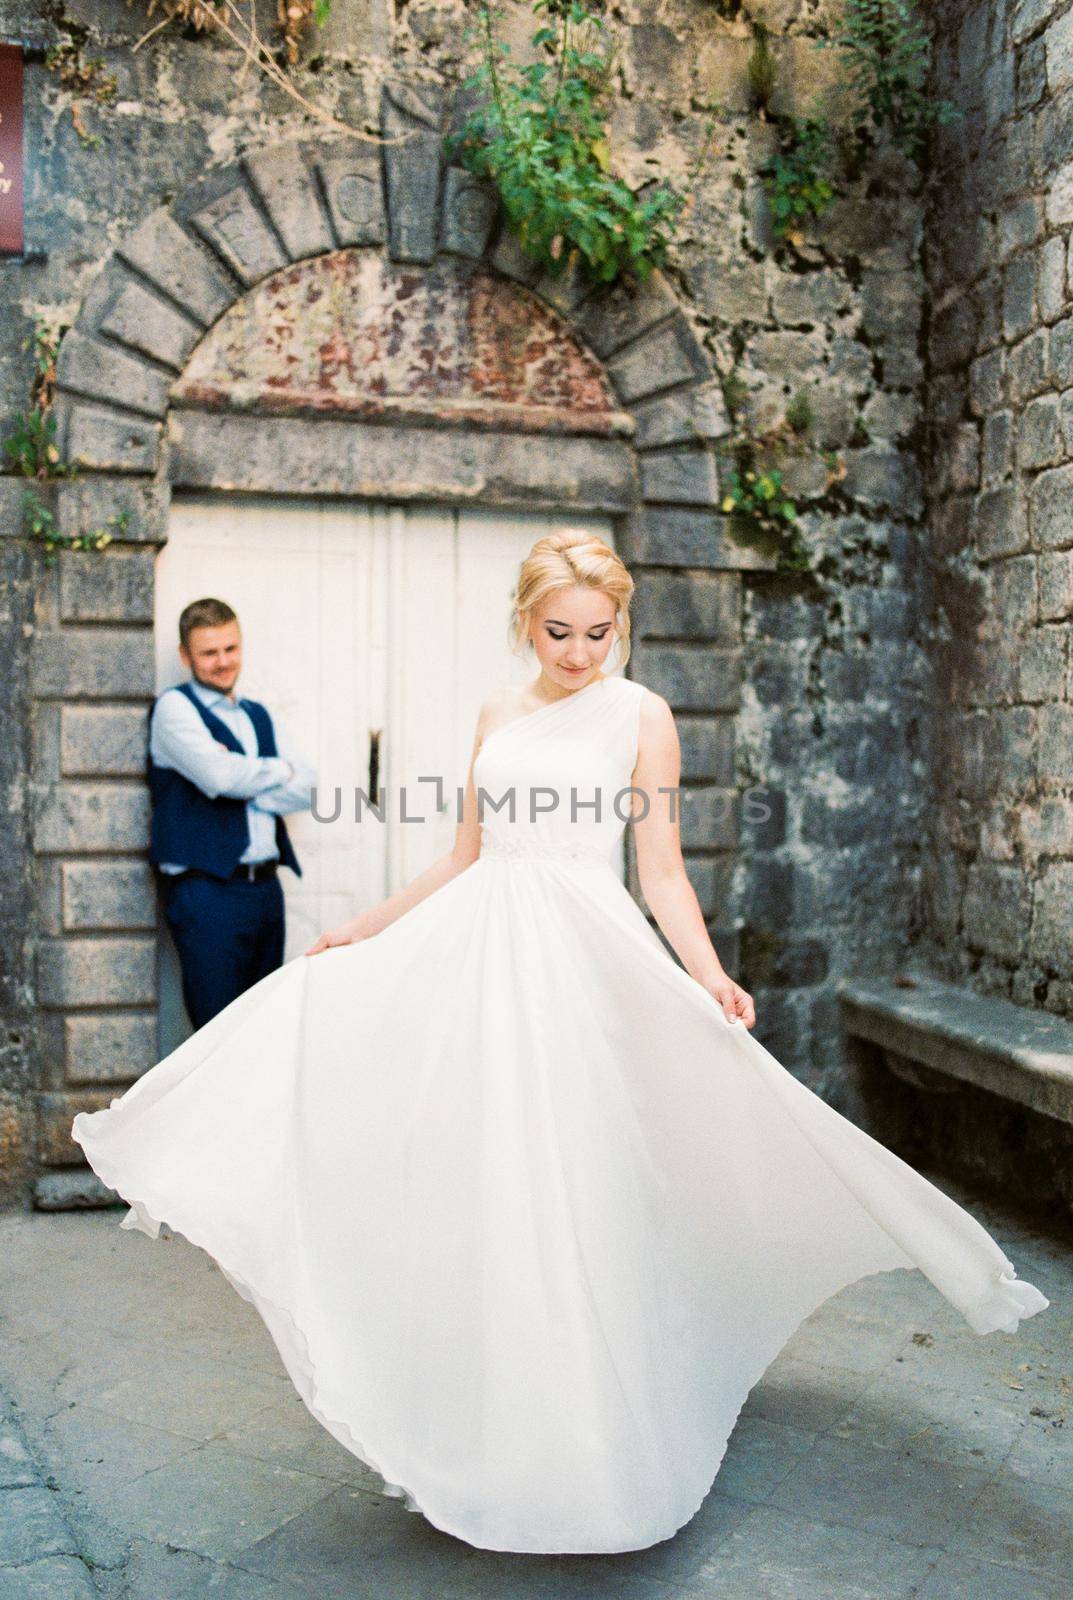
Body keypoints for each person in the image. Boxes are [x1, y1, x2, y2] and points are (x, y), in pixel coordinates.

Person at [72, 531, 1048, 1556]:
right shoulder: (496, 711)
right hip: (484, 951)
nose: (580, 652)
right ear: (523, 623)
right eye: (557, 632)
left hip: (586, 957)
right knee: (486, 1178)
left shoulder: (642, 715)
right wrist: (371, 923)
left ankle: (595, 1438)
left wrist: (707, 973)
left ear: (618, 624)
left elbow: (658, 869)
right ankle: (496, 1425)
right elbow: (463, 852)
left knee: (583, 1178)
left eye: (599, 631)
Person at [148, 597, 316, 1029]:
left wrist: (245, 781)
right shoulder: (175, 709)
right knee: (216, 1036)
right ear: (186, 656)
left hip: (265, 893)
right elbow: (221, 778)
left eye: (230, 648)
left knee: (262, 1031)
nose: (223, 662)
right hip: (207, 894)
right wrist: (277, 771)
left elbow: (307, 787)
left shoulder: (257, 714)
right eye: (209, 653)